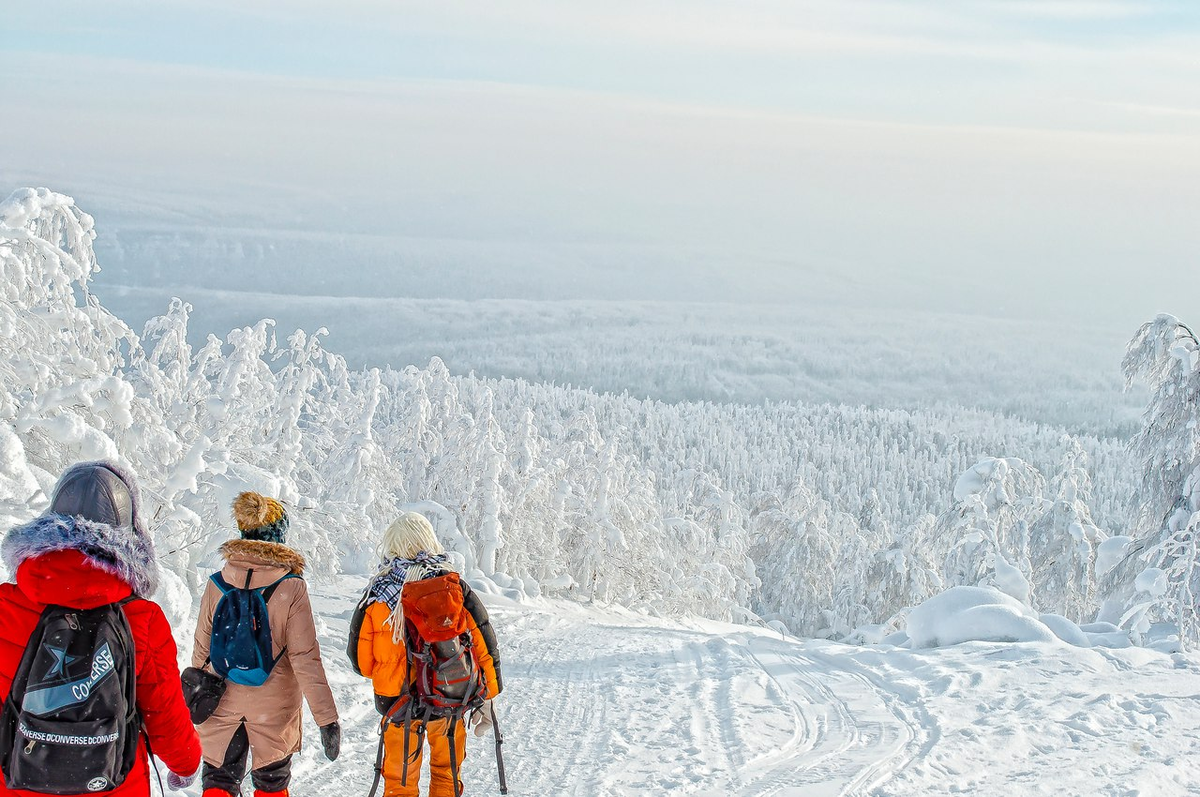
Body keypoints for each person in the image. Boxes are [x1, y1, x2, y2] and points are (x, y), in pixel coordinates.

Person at [0, 460, 201, 796]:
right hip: (113, 784)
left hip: (16, 781)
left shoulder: (6, 606)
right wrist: (186, 765)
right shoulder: (142, 618)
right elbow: (165, 713)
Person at [191, 492, 340, 797]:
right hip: (273, 708)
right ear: (279, 537)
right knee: (271, 783)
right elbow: (305, 658)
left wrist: (195, 701)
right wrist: (327, 719)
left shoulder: (217, 582)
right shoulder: (291, 587)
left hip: (222, 701)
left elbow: (202, 650)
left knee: (218, 781)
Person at [349, 512, 503, 797]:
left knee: (400, 782)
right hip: (448, 698)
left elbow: (362, 663)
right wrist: (490, 693)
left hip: (398, 704)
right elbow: (483, 642)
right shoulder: (452, 587)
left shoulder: (377, 594)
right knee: (446, 774)